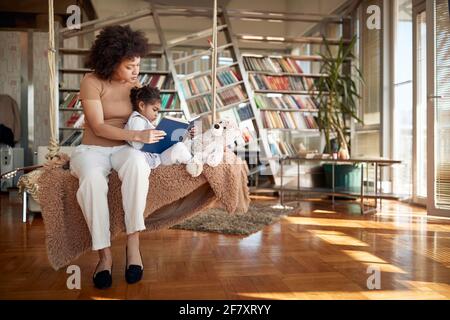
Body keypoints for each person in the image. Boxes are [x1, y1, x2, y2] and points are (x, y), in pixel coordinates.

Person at [69, 25, 166, 289]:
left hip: (125, 149)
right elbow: (98, 126)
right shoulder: (91, 82)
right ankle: (105, 255)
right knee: (90, 180)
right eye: (130, 66)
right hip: (93, 149)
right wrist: (136, 137)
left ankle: (133, 245)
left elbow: (147, 115)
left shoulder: (136, 85)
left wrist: (162, 130)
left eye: (138, 65)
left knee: (137, 164)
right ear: (111, 61)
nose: (136, 71)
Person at [125, 85, 194, 167]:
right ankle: (194, 165)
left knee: (185, 144)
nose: (156, 114)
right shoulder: (137, 120)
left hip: (157, 157)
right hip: (152, 160)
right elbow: (137, 144)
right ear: (142, 106)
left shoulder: (145, 121)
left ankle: (193, 161)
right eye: (154, 110)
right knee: (179, 147)